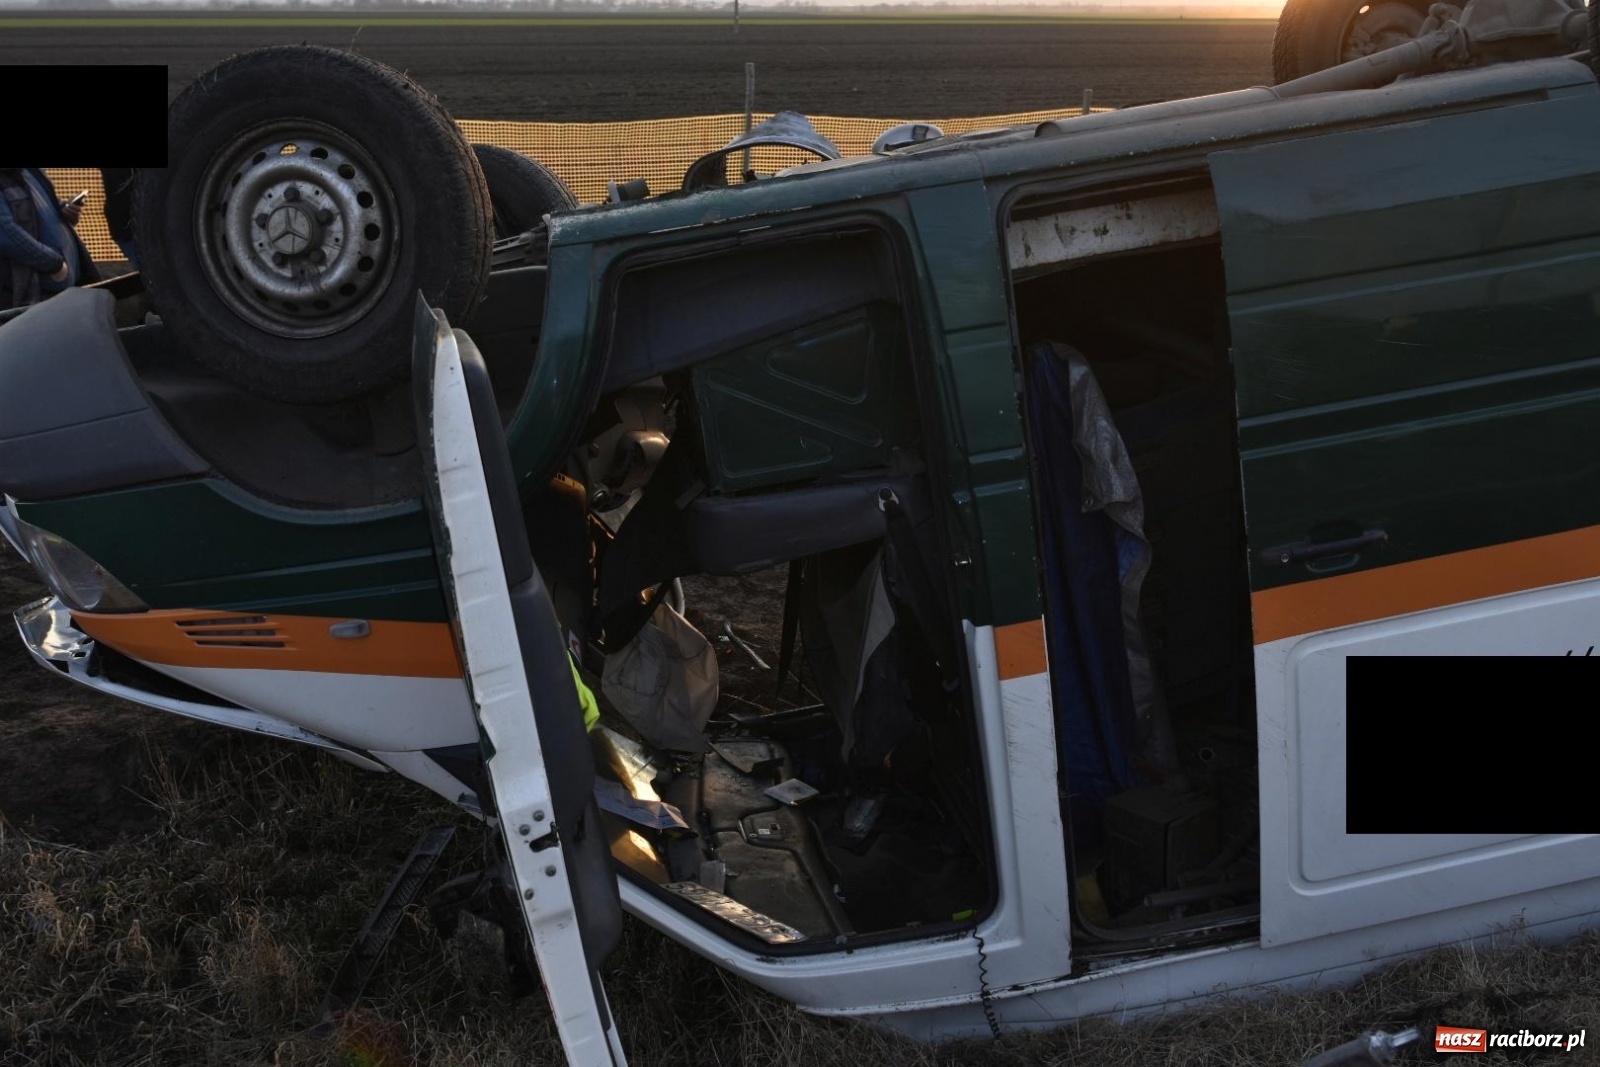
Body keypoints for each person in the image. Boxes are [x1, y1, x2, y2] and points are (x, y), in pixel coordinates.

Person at [1, 167, 100, 313]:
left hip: (64, 288)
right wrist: (54, 264)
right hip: (33, 295)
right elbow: (6, 233)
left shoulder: (32, 172)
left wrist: (66, 211)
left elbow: (41, 211)